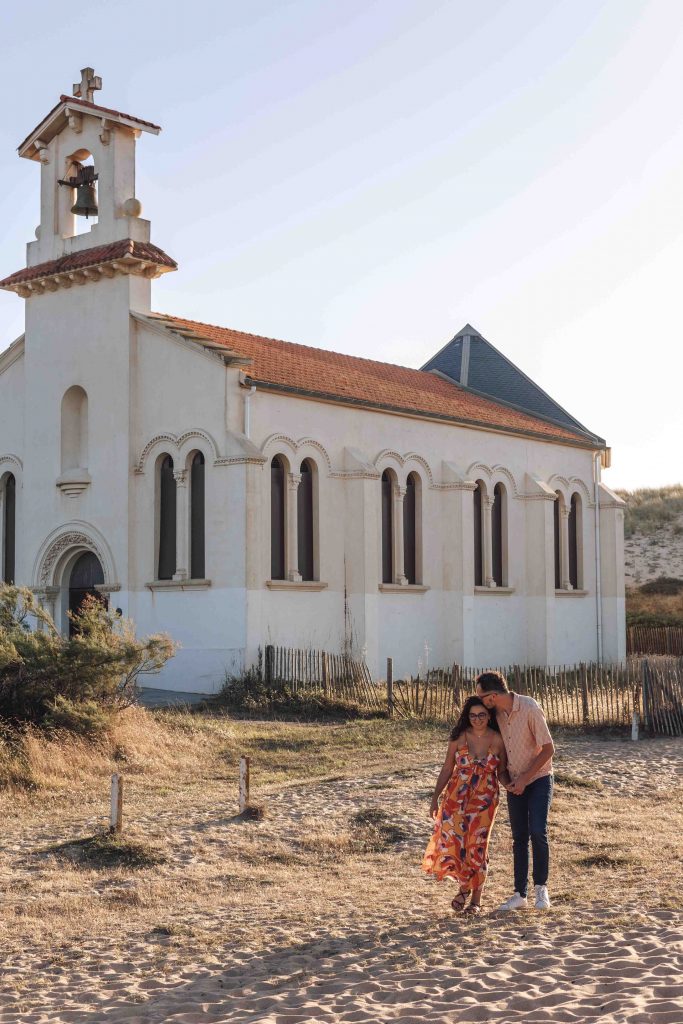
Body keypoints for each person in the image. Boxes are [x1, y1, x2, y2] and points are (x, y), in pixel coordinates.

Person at [422, 695, 510, 914]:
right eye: (472, 715)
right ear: (467, 716)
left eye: (481, 714)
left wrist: (517, 785)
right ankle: (465, 886)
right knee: (458, 844)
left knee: (478, 845)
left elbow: (502, 773)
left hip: (485, 800)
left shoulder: (499, 740)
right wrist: (435, 798)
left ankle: (474, 899)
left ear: (488, 716)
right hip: (456, 799)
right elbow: (446, 769)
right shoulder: (458, 737)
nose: (477, 719)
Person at [475, 670, 555, 911]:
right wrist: (505, 779)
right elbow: (499, 752)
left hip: (539, 778)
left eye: (482, 695)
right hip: (514, 782)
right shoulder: (496, 715)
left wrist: (525, 779)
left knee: (538, 831)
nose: (480, 700)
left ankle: (541, 889)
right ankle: (520, 894)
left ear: (492, 695)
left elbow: (549, 749)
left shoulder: (529, 708)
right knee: (519, 837)